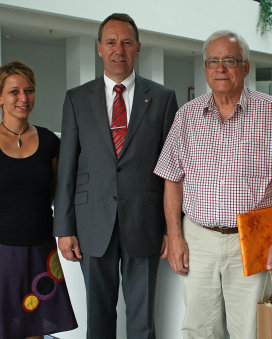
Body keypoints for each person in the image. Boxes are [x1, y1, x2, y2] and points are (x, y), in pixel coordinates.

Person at [154, 30, 272, 339]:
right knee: (199, 329)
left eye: (229, 60)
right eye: (213, 61)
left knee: (251, 329)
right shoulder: (187, 116)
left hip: (253, 239)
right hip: (197, 238)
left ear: (245, 67)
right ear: (205, 68)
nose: (220, 69)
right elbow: (172, 180)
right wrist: (174, 235)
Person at [53, 13, 178, 339]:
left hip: (145, 224)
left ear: (138, 48)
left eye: (126, 42)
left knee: (143, 321)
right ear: (99, 48)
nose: (118, 49)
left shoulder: (163, 98)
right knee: (99, 318)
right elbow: (67, 167)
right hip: (91, 223)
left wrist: (170, 227)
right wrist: (64, 228)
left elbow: (173, 170)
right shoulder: (76, 99)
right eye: (110, 42)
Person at [0, 61, 77, 339]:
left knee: (35, 324)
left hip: (39, 246)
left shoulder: (49, 141)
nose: (23, 98)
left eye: (29, 90)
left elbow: (56, 189)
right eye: (14, 92)